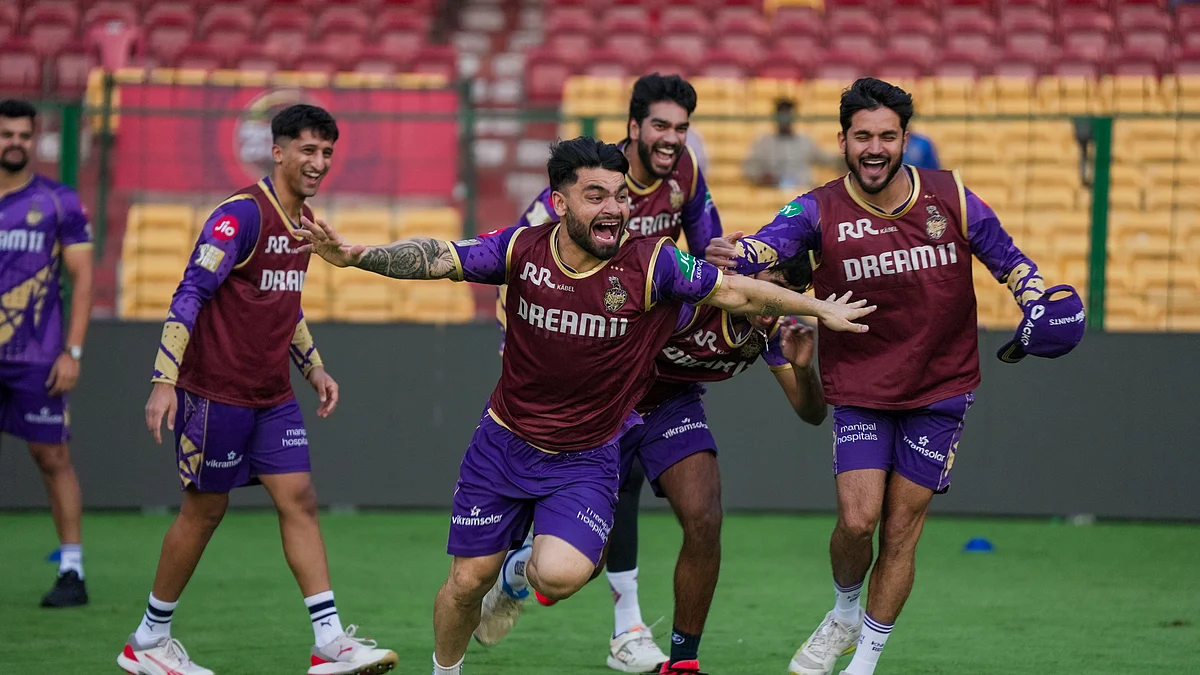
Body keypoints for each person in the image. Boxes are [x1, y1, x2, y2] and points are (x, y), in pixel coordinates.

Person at [294, 136, 876, 675]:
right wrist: (357, 256)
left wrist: (819, 309)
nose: (614, 209)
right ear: (560, 203)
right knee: (468, 582)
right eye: (595, 196)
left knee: (566, 572)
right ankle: (447, 669)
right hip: (504, 444)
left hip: (588, 454)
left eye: (621, 196)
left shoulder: (654, 264)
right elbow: (440, 256)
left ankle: (538, 579)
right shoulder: (521, 249)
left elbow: (736, 290)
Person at [706, 78, 1085, 675]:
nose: (875, 148)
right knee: (858, 522)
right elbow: (767, 245)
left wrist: (1034, 298)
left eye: (887, 136)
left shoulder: (952, 196)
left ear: (905, 139)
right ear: (843, 141)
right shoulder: (816, 208)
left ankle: (865, 662)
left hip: (941, 388)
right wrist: (739, 255)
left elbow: (1010, 261)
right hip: (861, 386)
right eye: (863, 137)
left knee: (902, 531)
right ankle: (843, 613)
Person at [120, 104, 397, 675]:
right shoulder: (240, 216)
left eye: (327, 152)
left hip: (273, 398)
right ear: (277, 152)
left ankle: (329, 641)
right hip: (215, 394)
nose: (318, 162)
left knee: (300, 498)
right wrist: (163, 380)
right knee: (205, 510)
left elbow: (284, 305)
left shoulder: (306, 224)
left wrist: (314, 368)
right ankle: (148, 640)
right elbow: (189, 294)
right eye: (307, 150)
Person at [589, 250, 832, 675]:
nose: (776, 304)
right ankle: (519, 563)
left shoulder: (773, 331)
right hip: (610, 403)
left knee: (704, 517)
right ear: (746, 275)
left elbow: (811, 413)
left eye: (791, 294)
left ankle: (683, 662)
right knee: (580, 566)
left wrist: (803, 369)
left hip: (671, 407)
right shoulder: (695, 299)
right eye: (773, 288)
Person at [0, 99, 95, 608]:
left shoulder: (59, 202)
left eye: (23, 135)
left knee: (52, 456)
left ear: (34, 139)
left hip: (36, 355)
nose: (15, 143)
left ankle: (72, 571)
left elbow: (83, 279)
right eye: (6, 134)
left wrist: (71, 351)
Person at [742, 98, 844, 191]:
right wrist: (761, 176)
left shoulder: (805, 142)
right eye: (782, 116)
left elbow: (826, 159)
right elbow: (748, 168)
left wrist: (845, 157)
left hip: (802, 191)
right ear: (776, 117)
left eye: (788, 116)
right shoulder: (763, 143)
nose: (785, 120)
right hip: (773, 194)